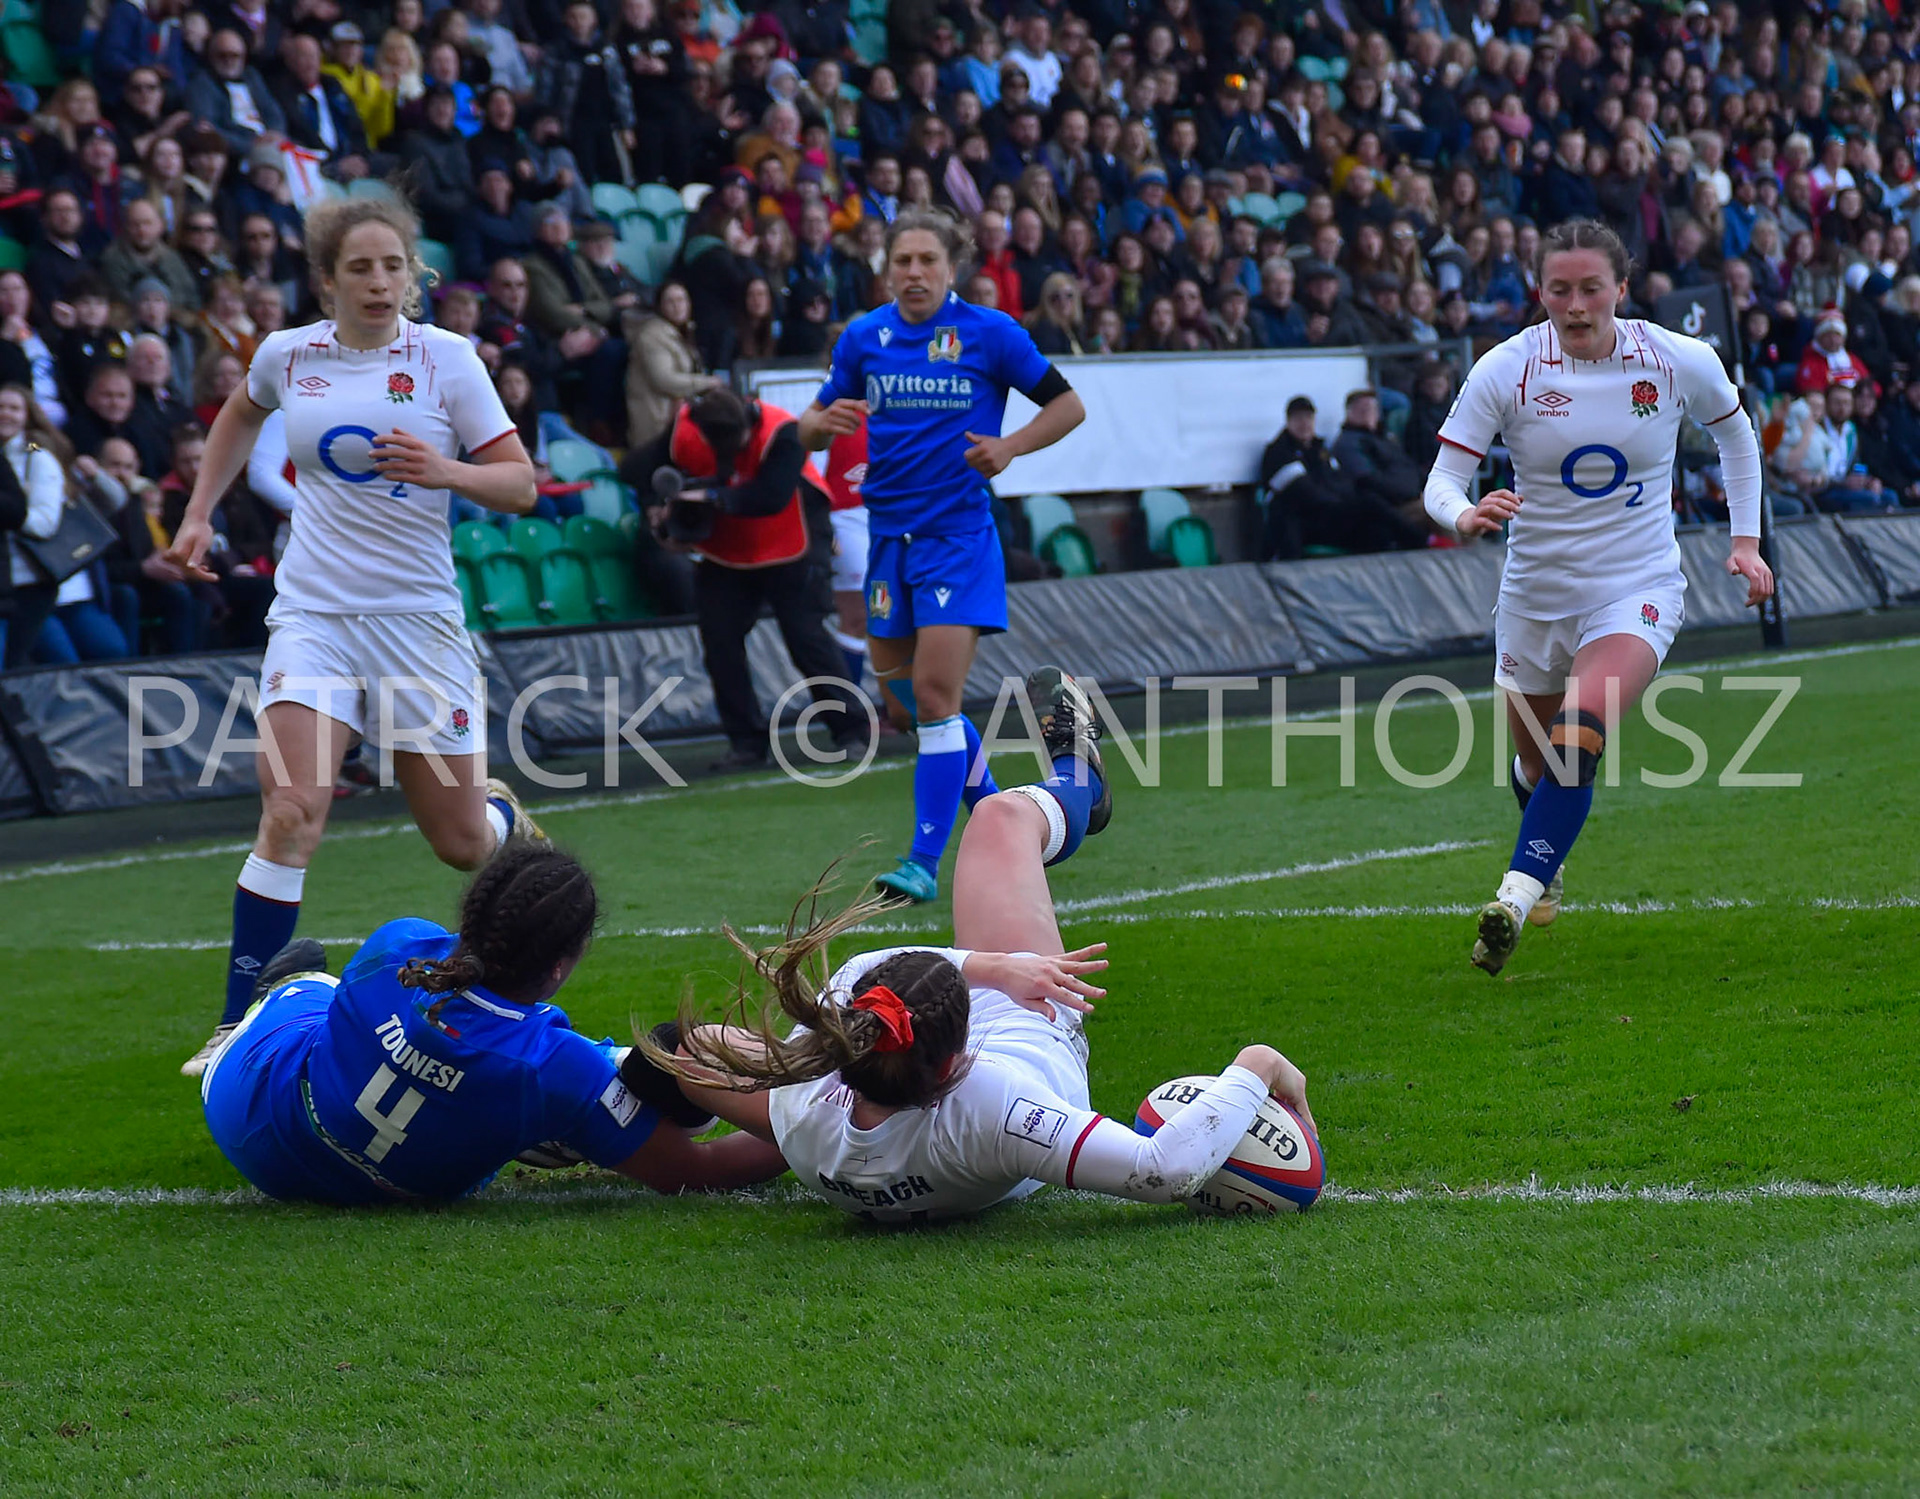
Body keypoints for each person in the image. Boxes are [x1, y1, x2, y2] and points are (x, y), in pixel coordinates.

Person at [643, 667, 1315, 1224]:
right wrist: (1255, 1065)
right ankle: (1082, 783)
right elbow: (1164, 1169)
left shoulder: (803, 1099)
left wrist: (990, 966)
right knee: (999, 820)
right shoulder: (991, 1105)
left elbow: (848, 991)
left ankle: (962, 756)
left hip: (824, 1140)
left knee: (682, 1048)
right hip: (1019, 1033)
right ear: (953, 1061)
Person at [165, 194, 543, 1076]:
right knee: (293, 810)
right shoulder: (287, 355)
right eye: (362, 268)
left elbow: (521, 485)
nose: (381, 282)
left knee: (458, 842)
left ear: (416, 274)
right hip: (314, 615)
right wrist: (197, 513)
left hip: (416, 623)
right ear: (326, 279)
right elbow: (237, 416)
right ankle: (236, 1024)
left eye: (394, 266)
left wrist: (445, 468)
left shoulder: (448, 360)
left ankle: (502, 817)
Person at [1421, 219, 1772, 976]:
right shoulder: (1506, 369)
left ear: (1621, 287)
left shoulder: (1676, 359)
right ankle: (1541, 851)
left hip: (1636, 587)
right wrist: (1464, 513)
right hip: (1533, 597)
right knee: (1538, 765)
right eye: (1559, 290)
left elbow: (1738, 439)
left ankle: (1510, 899)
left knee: (1580, 732)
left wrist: (1744, 543)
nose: (1575, 305)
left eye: (1589, 289)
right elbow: (1442, 478)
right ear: (1537, 291)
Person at [200, 844, 788, 1204]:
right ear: (561, 964)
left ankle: (279, 994)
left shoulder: (396, 947)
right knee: (305, 987)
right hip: (393, 1183)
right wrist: (807, 1133)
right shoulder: (553, 1068)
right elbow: (696, 1169)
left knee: (327, 997)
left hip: (250, 1115)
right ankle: (276, 989)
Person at [797, 209, 1086, 904]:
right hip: (888, 541)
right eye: (903, 261)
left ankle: (923, 862)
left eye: (928, 260)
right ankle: (1010, 820)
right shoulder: (866, 337)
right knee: (904, 709)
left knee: (933, 696)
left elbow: (1068, 405)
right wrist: (817, 423)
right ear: (886, 267)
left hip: (958, 540)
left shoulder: (991, 334)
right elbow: (809, 423)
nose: (915, 272)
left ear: (952, 268)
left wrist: (1010, 446)